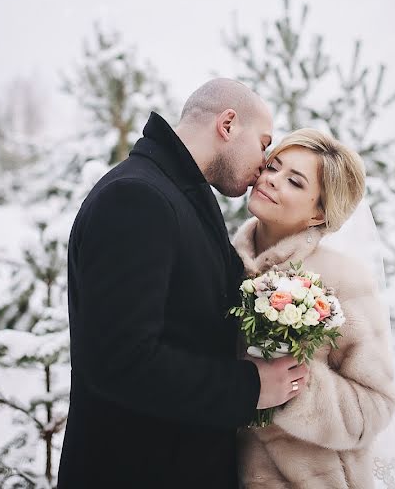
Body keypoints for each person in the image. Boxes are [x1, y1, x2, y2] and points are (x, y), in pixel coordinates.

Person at [57, 78, 309, 488]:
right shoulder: (137, 197)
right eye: (263, 144)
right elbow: (120, 361)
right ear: (227, 124)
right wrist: (250, 388)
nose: (265, 162)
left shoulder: (182, 193)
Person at [232, 129, 395, 488]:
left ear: (318, 214)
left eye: (294, 182)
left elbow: (376, 405)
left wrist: (292, 387)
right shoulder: (221, 263)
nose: (271, 181)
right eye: (273, 167)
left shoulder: (343, 280)